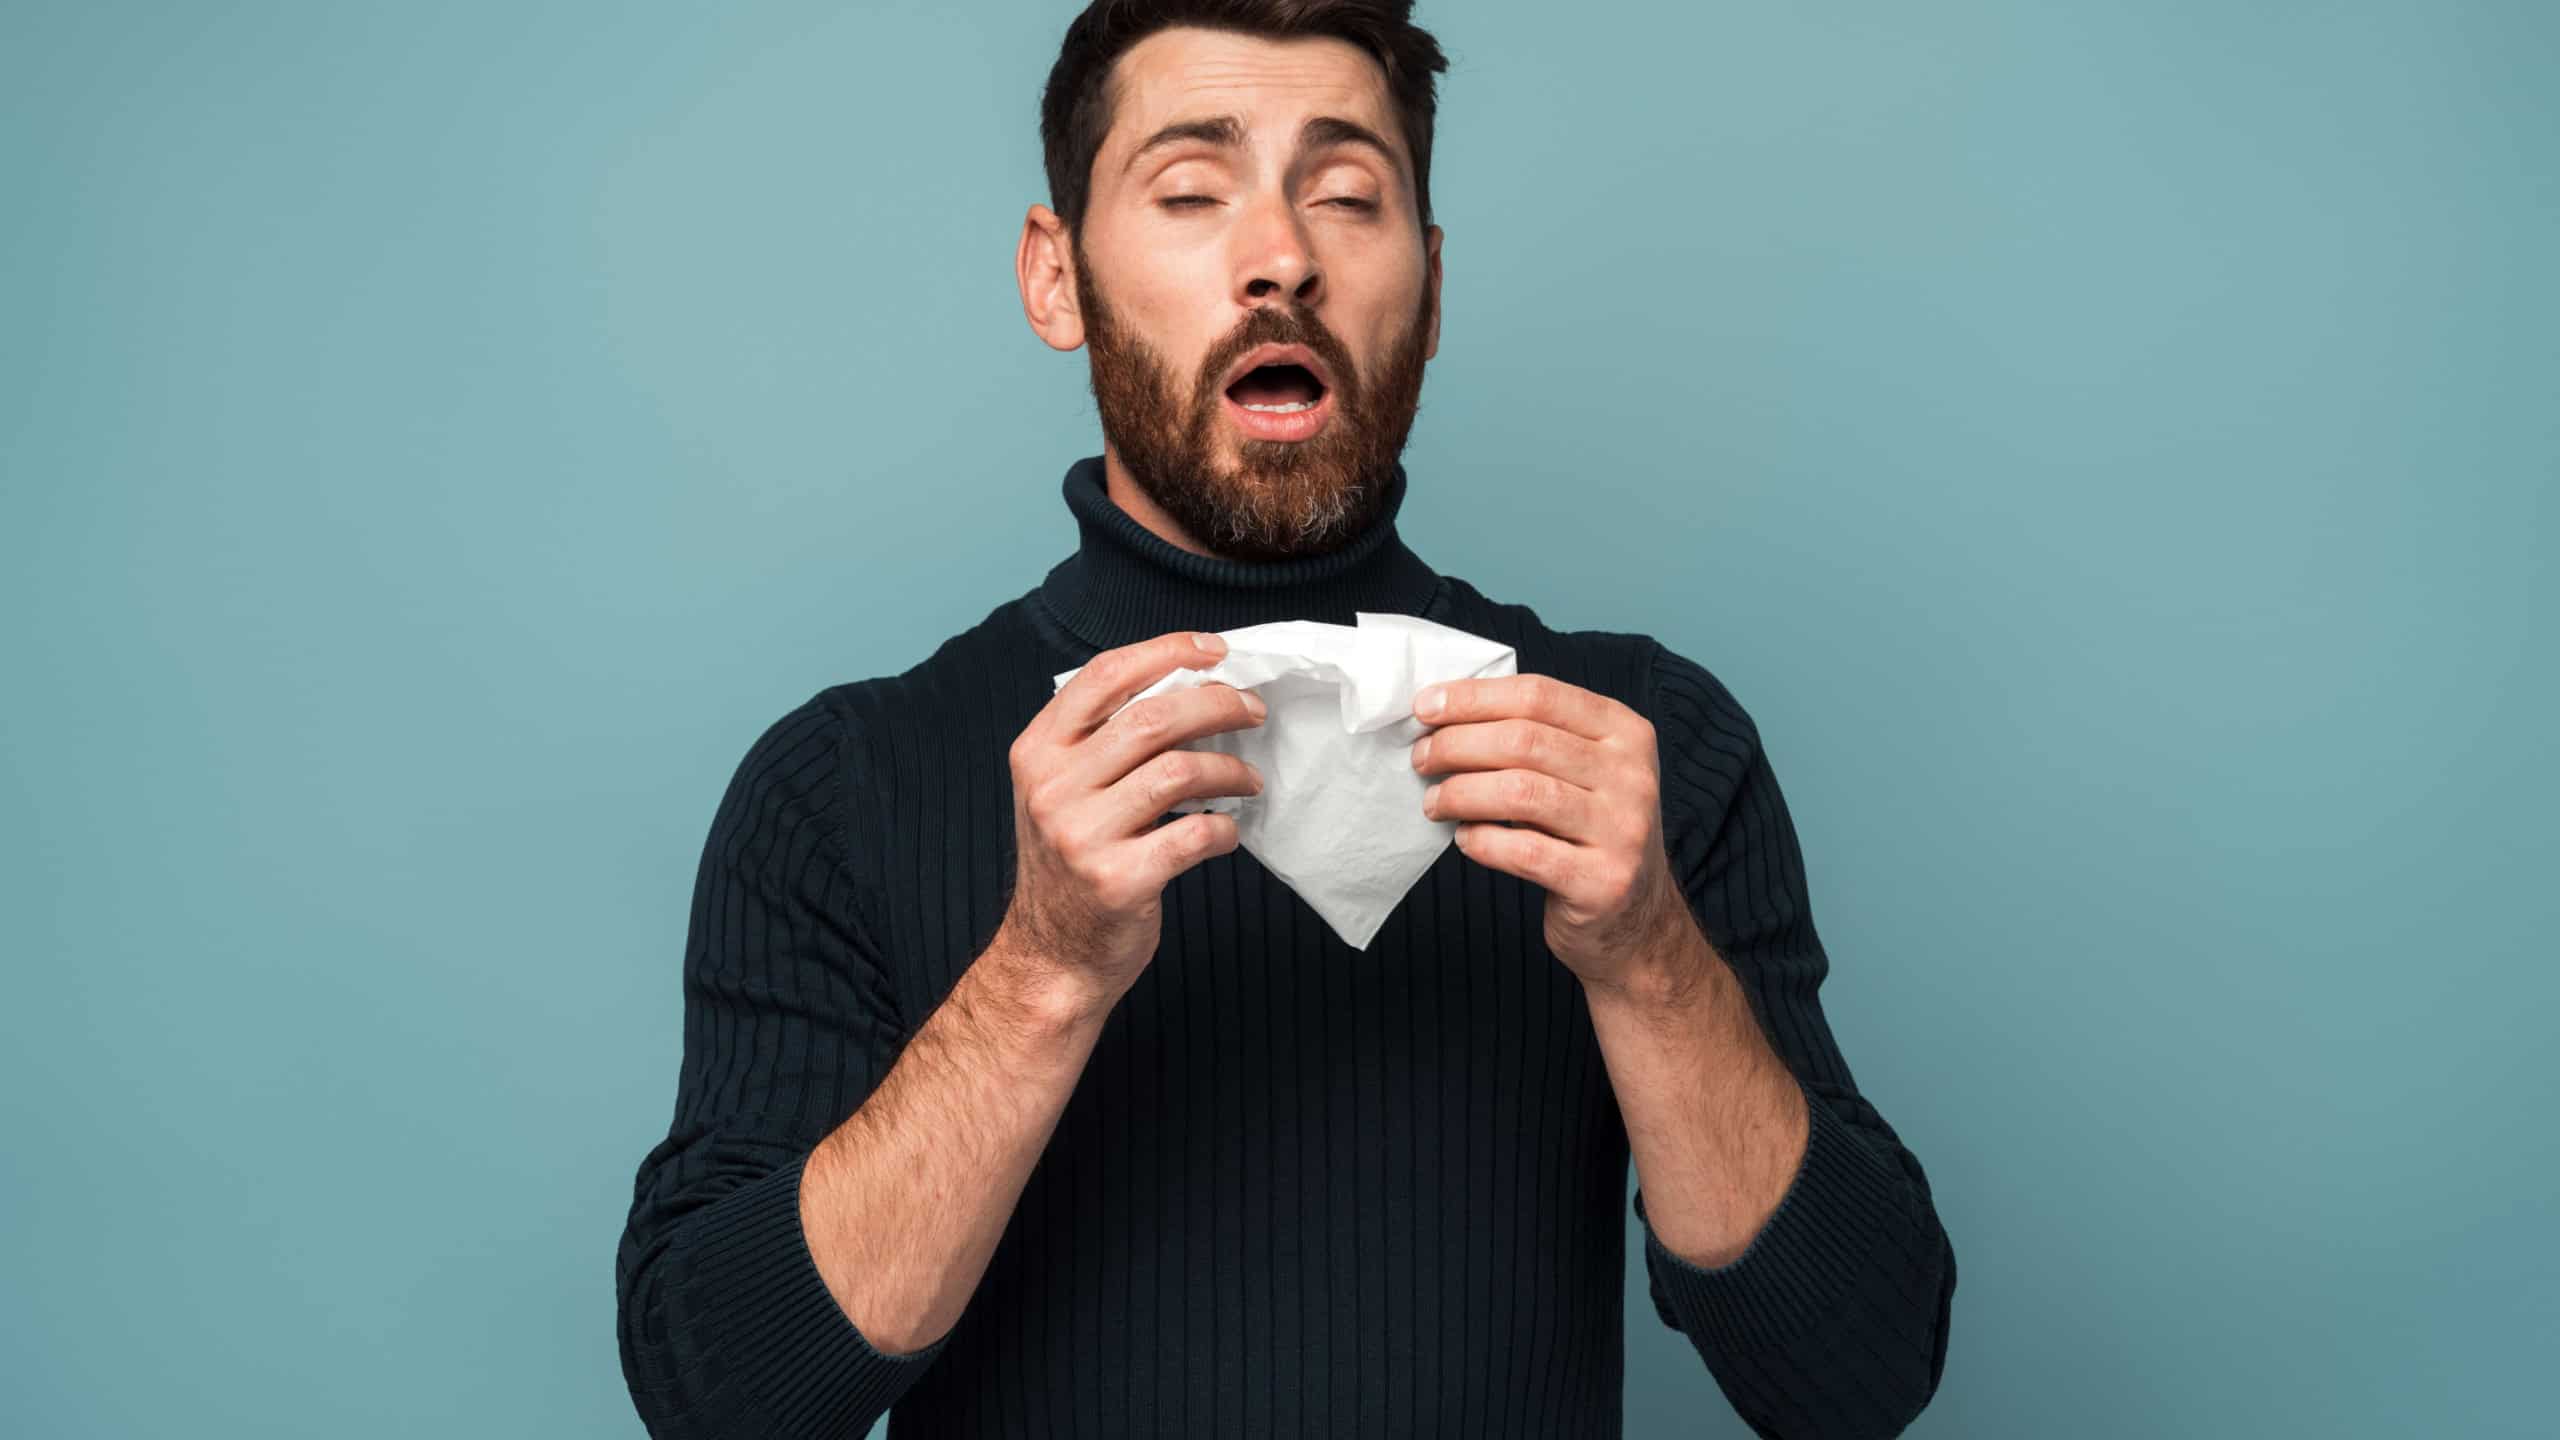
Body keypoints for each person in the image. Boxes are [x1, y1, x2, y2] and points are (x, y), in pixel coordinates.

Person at [614, 3, 1956, 1435]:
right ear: (1058, 277)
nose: (1282, 256)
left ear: (1430, 288)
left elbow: (1858, 1382)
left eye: (1348, 196)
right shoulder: (843, 786)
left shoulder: (1643, 749)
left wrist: (1649, 961)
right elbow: (721, 1403)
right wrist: (1042, 973)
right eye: (1193, 191)